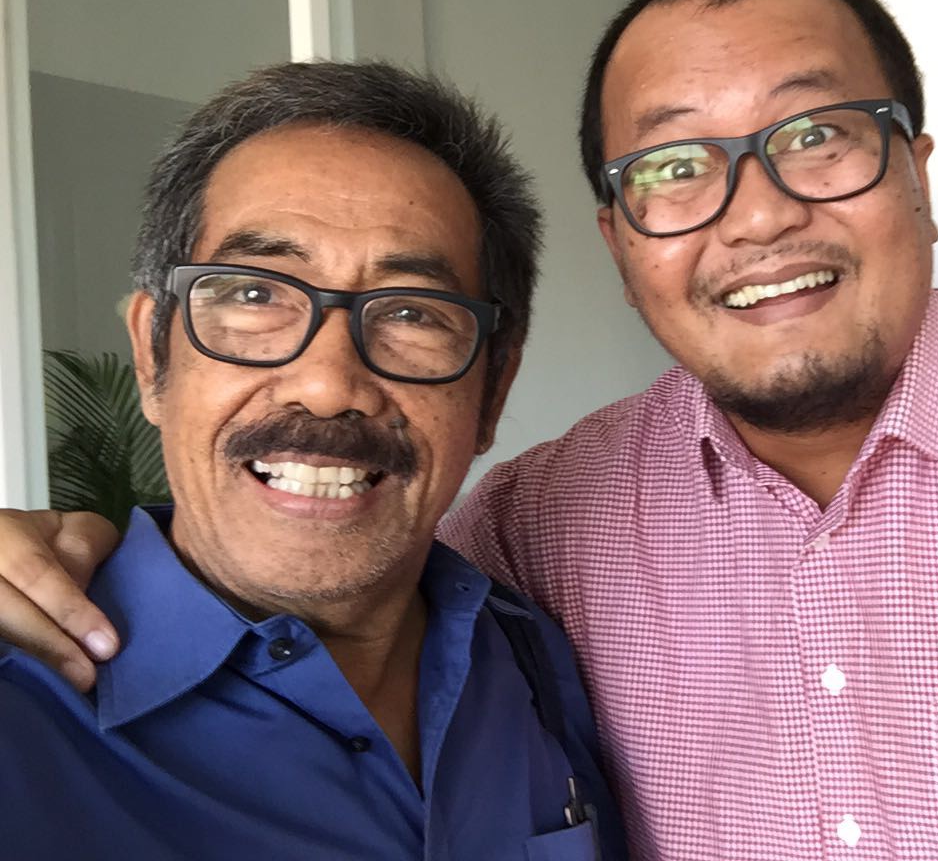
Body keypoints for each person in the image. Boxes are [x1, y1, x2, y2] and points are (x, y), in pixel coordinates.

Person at [3, 0, 938, 860]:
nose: (758, 215)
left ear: (916, 175)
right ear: (622, 242)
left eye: (817, 136)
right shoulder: (540, 530)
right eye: (672, 166)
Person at [0, 61, 625, 860]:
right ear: (153, 358)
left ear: (492, 391)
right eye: (255, 294)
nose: (329, 386)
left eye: (412, 312)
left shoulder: (533, 655)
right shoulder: (22, 707)